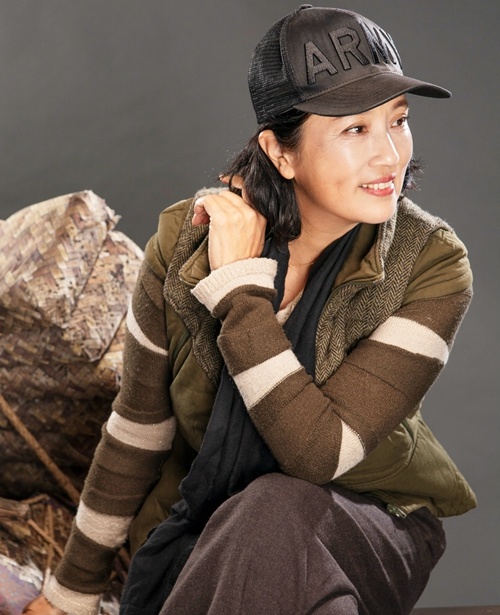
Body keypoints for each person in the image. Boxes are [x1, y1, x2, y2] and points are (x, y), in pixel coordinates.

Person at [24, 5, 476, 615]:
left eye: (398, 121)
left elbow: (320, 455)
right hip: (210, 530)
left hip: (369, 523)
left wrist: (241, 291)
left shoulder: (430, 263)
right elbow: (137, 433)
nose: (390, 155)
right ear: (279, 152)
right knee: (263, 536)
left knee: (273, 508)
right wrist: (68, 596)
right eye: (355, 130)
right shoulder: (184, 244)